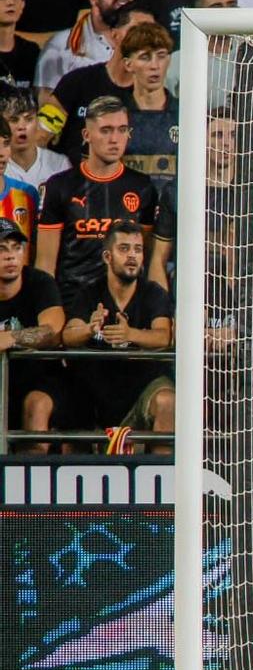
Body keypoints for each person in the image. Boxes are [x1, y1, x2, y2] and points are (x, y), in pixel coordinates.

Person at [58, 218, 174, 442]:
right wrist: (89, 330)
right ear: (107, 257)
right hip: (97, 392)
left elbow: (164, 336)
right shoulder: (89, 292)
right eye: (124, 249)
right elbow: (68, 334)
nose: (132, 255)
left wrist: (131, 334)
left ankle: (164, 475)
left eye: (138, 249)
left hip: (145, 388)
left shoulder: (153, 293)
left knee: (168, 402)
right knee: (70, 399)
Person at [37, 98, 161, 301]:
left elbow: (145, 258)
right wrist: (50, 310)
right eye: (106, 130)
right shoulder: (60, 186)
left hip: (125, 306)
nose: (115, 139)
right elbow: (45, 264)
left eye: (122, 130)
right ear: (87, 135)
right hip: (72, 304)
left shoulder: (142, 187)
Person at [0, 218, 66, 442]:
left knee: (36, 405)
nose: (11, 256)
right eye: (2, 249)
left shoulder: (40, 282)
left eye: (16, 248)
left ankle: (31, 474)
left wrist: (12, 337)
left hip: (39, 376)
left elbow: (54, 331)